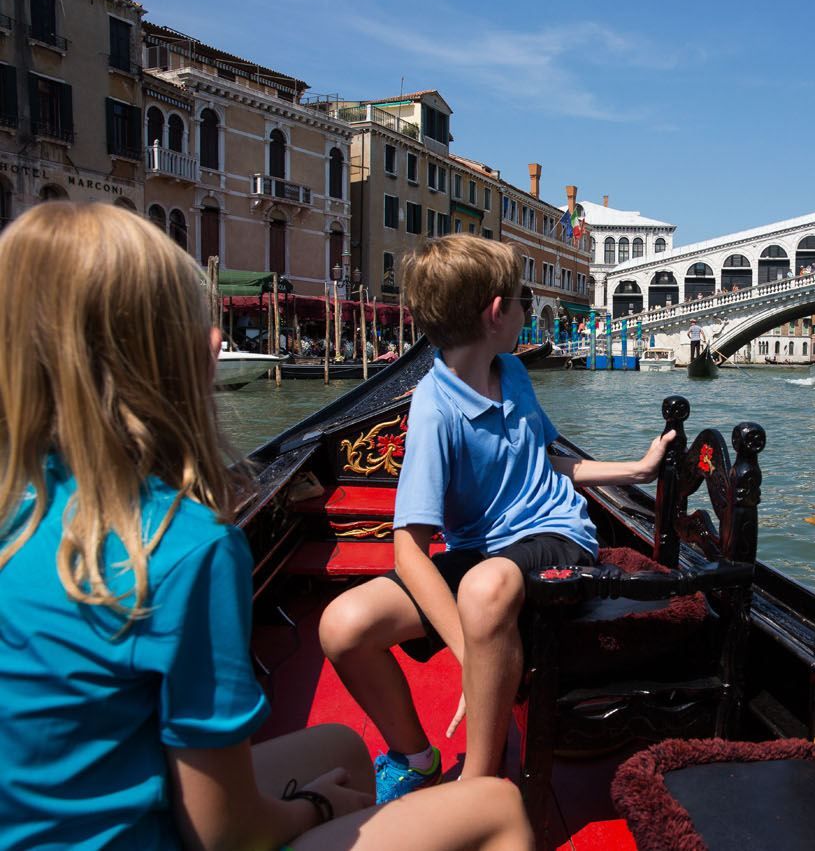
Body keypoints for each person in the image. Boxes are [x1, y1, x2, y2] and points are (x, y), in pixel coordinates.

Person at [0, 205, 532, 850]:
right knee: (497, 805)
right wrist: (314, 806)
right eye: (200, 321)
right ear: (169, 356)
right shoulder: (183, 546)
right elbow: (224, 835)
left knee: (342, 745)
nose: (218, 338)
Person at [319, 236, 674, 801]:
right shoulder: (435, 407)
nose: (527, 310)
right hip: (484, 556)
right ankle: (416, 758)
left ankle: (478, 791)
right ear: (495, 312)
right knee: (343, 626)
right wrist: (468, 655)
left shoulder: (513, 373)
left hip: (558, 535)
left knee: (484, 587)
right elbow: (408, 550)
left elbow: (547, 462)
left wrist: (634, 470)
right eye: (522, 299)